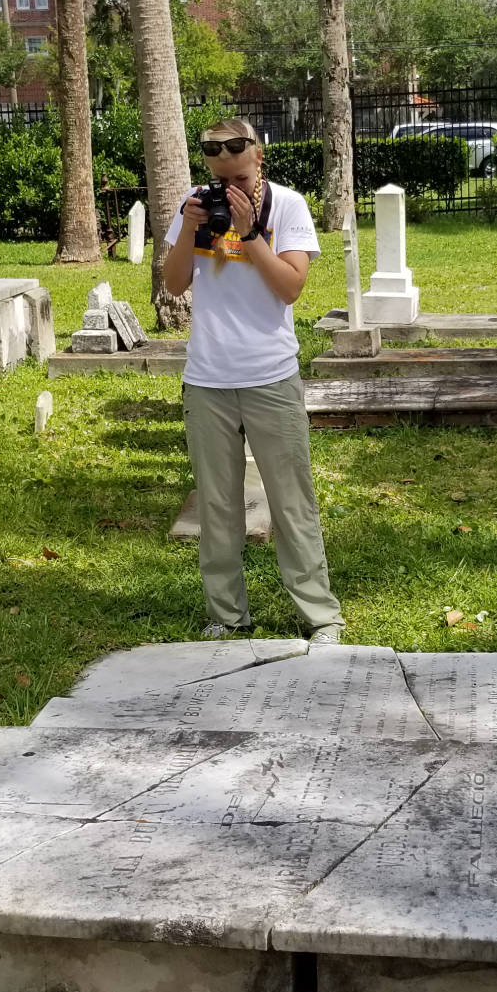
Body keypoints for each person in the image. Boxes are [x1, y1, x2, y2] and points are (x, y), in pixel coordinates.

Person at [161, 119, 343, 644]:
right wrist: (190, 228)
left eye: (239, 175)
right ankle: (226, 616)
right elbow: (176, 284)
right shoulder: (194, 203)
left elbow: (290, 289)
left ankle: (320, 615)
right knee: (217, 504)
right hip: (208, 378)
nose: (229, 186)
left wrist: (251, 233)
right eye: (220, 174)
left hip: (269, 375)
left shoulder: (287, 206)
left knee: (291, 500)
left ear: (258, 157)